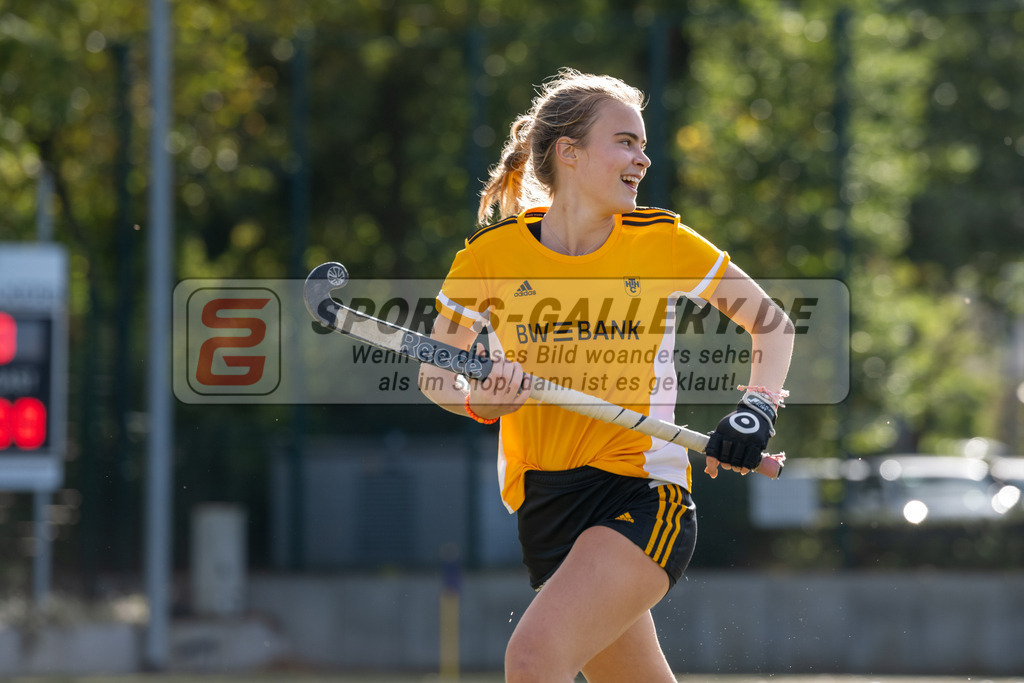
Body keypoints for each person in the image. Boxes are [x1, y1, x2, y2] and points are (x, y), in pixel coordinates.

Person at [419, 68, 794, 682]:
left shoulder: (662, 242)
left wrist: (757, 409)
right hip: (544, 503)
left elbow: (773, 324)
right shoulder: (487, 258)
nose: (642, 159)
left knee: (534, 657)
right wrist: (482, 401)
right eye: (625, 141)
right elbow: (439, 379)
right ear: (569, 153)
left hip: (641, 492)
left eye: (642, 145)